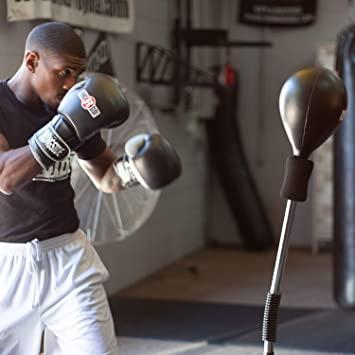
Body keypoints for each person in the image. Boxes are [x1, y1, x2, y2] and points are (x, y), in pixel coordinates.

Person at [0, 21, 181, 355]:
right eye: (63, 72)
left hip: (68, 260)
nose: (70, 84)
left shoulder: (70, 109)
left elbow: (106, 177)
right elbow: (6, 177)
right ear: (31, 61)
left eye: (77, 75)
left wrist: (137, 168)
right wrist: (64, 129)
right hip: (6, 268)